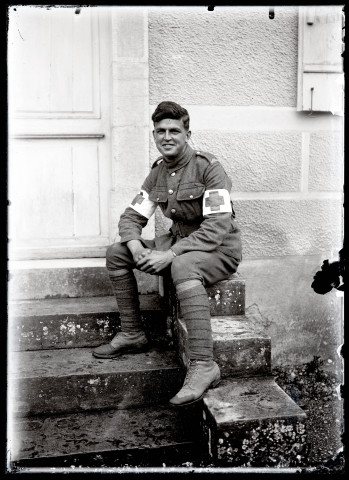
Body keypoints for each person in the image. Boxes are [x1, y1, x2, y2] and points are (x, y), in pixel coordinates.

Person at [93, 101, 242, 407]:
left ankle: (204, 365)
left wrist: (170, 254)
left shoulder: (208, 168)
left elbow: (216, 227)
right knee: (116, 253)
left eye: (174, 130)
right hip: (178, 246)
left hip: (218, 250)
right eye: (160, 131)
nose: (167, 137)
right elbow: (131, 217)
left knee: (184, 265)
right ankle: (133, 333)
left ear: (188, 134)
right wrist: (134, 245)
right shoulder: (158, 173)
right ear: (154, 135)